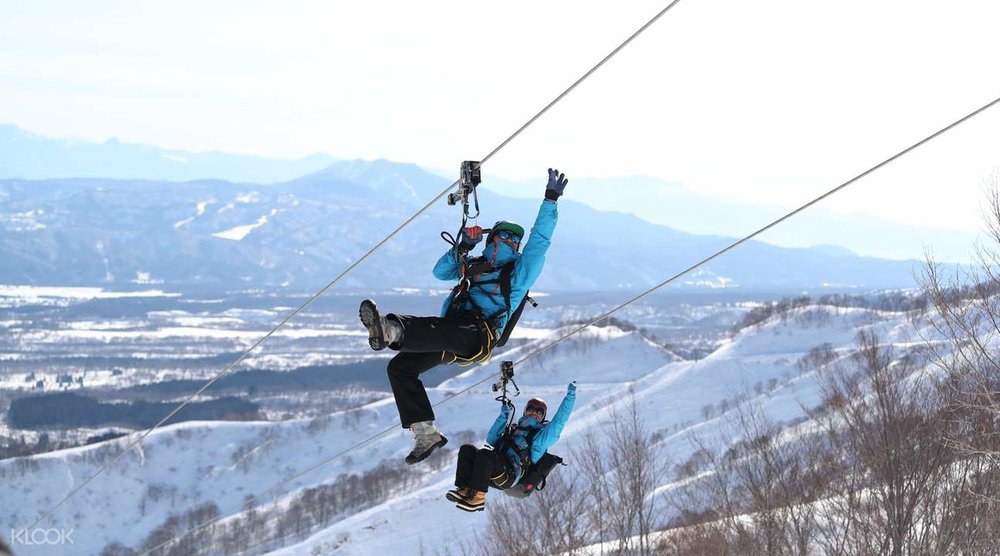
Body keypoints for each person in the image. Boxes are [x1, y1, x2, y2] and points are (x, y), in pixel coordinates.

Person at [359, 168, 569, 465]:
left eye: (513, 239)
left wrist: (550, 201)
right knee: (400, 369)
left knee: (443, 328)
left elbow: (541, 242)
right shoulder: (474, 264)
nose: (508, 242)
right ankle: (425, 431)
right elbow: (440, 272)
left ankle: (391, 330)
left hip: (479, 336)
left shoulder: (519, 274)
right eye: (503, 236)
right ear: (491, 238)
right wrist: (463, 247)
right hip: (455, 335)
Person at [447, 383, 577, 512]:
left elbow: (559, 422)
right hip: (493, 468)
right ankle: (465, 489)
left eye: (539, 411)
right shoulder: (514, 430)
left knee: (485, 455)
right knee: (467, 449)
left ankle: (478, 499)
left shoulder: (539, 439)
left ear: (543, 417)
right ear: (525, 411)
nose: (534, 413)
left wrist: (570, 397)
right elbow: (491, 439)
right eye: (531, 408)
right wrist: (503, 417)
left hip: (510, 476)